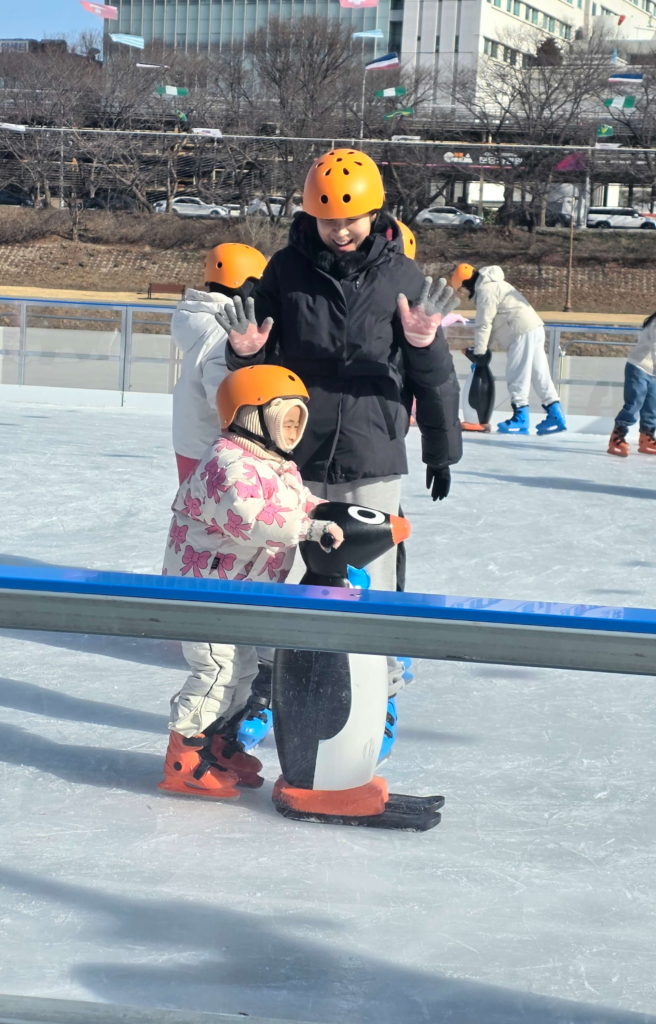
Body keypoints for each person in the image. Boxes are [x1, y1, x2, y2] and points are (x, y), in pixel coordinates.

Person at [216, 147, 462, 697]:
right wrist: (245, 355)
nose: (340, 231)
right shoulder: (285, 269)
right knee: (285, 559)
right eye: (329, 220)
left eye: (350, 219)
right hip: (295, 446)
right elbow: (255, 368)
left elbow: (435, 373)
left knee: (371, 571)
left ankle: (381, 686)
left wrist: (441, 449)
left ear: (374, 213)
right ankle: (279, 682)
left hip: (372, 447)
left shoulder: (401, 275)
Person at [159, 365, 344, 799]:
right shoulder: (226, 462)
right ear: (252, 417)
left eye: (300, 419)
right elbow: (249, 518)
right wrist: (309, 530)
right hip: (202, 590)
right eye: (287, 418)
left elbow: (298, 502)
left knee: (241, 669)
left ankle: (217, 744)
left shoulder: (276, 466)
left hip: (237, 592)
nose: (295, 430)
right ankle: (183, 756)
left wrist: (329, 513)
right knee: (216, 671)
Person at [171, 243, 267, 484]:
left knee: (195, 515)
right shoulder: (226, 330)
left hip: (190, 441)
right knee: (221, 519)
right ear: (245, 284)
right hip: (216, 451)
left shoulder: (200, 319)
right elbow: (224, 399)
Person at [450, 263, 566, 436]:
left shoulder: (486, 291)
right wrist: (482, 347)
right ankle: (555, 414)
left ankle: (521, 418)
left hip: (519, 332)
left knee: (516, 374)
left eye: (462, 290)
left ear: (466, 284)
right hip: (533, 327)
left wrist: (480, 352)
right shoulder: (494, 284)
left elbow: (484, 324)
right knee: (539, 374)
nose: (464, 294)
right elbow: (490, 323)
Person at [607, 287, 656, 457]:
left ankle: (647, 438)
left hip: (652, 373)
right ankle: (617, 436)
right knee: (634, 403)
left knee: (652, 406)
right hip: (639, 368)